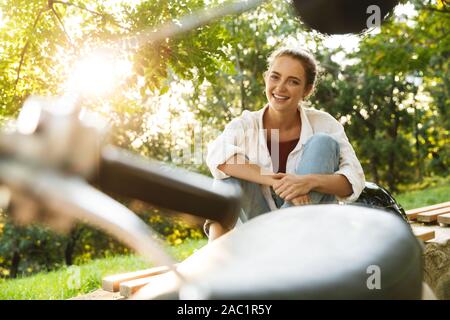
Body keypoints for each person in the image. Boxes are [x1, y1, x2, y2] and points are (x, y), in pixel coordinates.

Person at [204, 47, 365, 241]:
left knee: (323, 142)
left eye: (293, 81)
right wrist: (277, 181)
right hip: (260, 226)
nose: (280, 87)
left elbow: (353, 180)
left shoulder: (324, 123)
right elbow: (217, 155)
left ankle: (283, 239)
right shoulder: (246, 124)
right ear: (266, 78)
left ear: (307, 90)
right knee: (227, 176)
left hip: (309, 228)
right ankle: (217, 253)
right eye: (275, 77)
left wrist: (307, 182)